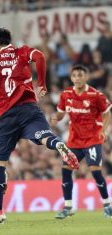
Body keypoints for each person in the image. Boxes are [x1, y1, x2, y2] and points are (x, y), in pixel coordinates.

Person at [0, 28, 79, 228]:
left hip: (6, 117)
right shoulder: (21, 52)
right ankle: (58, 145)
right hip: (30, 109)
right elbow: (39, 56)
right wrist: (42, 83)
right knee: (44, 136)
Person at [51, 65, 112, 219]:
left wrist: (103, 130)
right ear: (71, 78)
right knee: (65, 170)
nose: (77, 78)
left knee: (95, 170)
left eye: (80, 75)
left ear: (86, 77)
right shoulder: (66, 94)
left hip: (92, 138)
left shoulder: (95, 95)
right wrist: (55, 118)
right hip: (74, 140)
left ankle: (107, 205)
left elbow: (106, 114)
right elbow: (61, 112)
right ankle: (68, 207)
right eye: (74, 75)